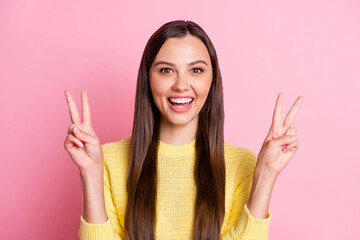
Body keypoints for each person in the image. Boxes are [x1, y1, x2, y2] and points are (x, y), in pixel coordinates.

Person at [64, 20, 303, 240]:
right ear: (148, 78)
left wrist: (267, 174)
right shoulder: (107, 162)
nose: (180, 85)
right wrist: (90, 173)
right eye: (166, 70)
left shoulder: (243, 165)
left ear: (212, 80)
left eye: (196, 70)